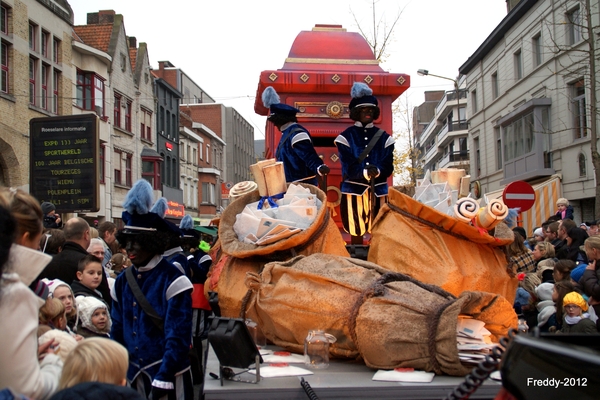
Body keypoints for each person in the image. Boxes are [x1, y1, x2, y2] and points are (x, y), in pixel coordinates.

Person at [111, 179, 194, 399]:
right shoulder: (121, 281)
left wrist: (165, 375)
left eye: (136, 242)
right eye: (126, 242)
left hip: (169, 376)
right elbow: (117, 330)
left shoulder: (173, 279)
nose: (129, 249)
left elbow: (178, 337)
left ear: (152, 243)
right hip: (131, 376)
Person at [0, 202, 63, 400]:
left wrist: (27, 355)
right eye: (38, 242)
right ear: (25, 239)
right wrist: (53, 363)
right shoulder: (13, 293)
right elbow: (27, 390)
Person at [335, 82, 394, 240]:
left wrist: (380, 170)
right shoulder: (345, 137)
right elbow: (348, 166)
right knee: (355, 230)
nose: (367, 113)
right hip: (354, 190)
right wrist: (365, 172)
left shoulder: (385, 138)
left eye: (370, 110)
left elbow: (388, 165)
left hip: (379, 191)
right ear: (356, 112)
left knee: (380, 229)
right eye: (363, 110)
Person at [261, 86, 329, 186]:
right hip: (291, 187)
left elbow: (309, 156)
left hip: (302, 188)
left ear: (281, 119)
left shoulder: (297, 134)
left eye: (275, 121)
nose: (275, 125)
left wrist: (319, 167)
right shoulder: (287, 134)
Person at [38, 218, 111, 305]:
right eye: (91, 273)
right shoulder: (91, 263)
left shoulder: (47, 263)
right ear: (86, 234)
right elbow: (105, 299)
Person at [580, 236, 600, 327]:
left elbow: (597, 291)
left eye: (587, 250)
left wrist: (590, 273)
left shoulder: (592, 269)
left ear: (594, 250)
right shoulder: (594, 266)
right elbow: (578, 286)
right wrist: (587, 299)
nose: (586, 253)